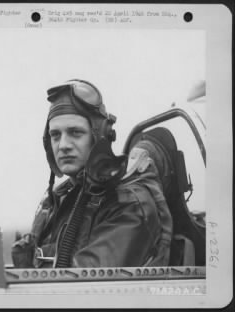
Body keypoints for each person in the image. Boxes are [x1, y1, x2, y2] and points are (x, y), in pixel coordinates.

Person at [11, 79, 173, 268]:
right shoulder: (61, 199)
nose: (63, 145)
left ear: (100, 136)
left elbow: (82, 285)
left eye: (75, 133)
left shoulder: (129, 204)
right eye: (55, 135)